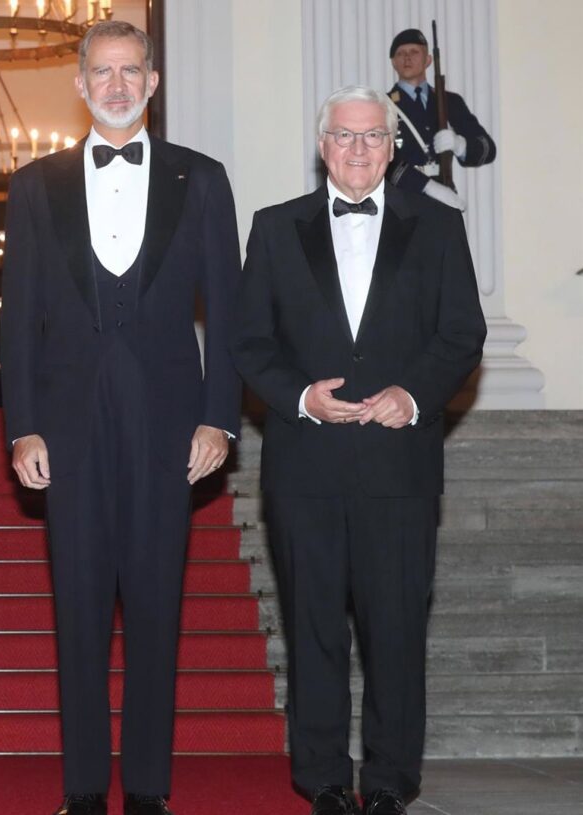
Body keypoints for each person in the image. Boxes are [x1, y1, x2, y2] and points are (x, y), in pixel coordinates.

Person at [1, 20, 242, 815]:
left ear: (152, 81)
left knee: (155, 605)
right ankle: (80, 789)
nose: (115, 85)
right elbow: (20, 316)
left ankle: (145, 788)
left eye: (129, 71)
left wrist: (220, 418)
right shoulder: (35, 184)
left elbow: (230, 315)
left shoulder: (202, 179)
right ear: (78, 84)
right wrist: (21, 424)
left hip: (171, 421)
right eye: (101, 72)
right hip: (66, 423)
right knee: (75, 606)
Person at [231, 86, 486, 815]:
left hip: (399, 465)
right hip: (304, 465)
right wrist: (300, 396)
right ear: (322, 146)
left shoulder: (438, 226)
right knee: (312, 629)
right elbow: (250, 340)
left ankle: (388, 782)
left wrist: (412, 396)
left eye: (373, 137)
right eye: (344, 137)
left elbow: (461, 333)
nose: (358, 149)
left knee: (396, 631)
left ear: (392, 146)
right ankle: (321, 780)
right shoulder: (275, 228)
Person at [385, 27, 496, 212]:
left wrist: (461, 145)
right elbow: (384, 162)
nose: (407, 58)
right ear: (393, 62)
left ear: (428, 60)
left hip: (445, 199)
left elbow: (487, 148)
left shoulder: (450, 101)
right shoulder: (383, 106)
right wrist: (427, 186)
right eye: (401, 53)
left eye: (414, 52)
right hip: (402, 202)